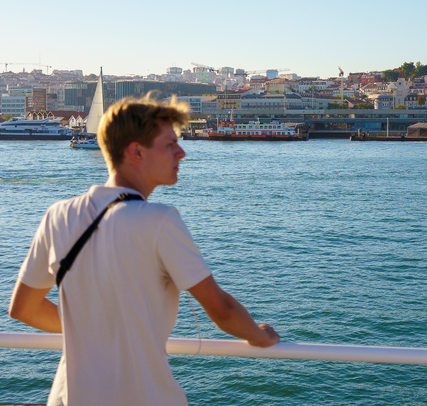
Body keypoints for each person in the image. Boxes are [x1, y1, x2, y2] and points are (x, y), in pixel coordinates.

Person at [9, 95, 280, 406]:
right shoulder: (159, 220)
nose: (182, 152)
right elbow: (222, 310)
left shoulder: (58, 215)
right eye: (169, 145)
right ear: (136, 151)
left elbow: (23, 309)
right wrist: (260, 336)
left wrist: (92, 329)